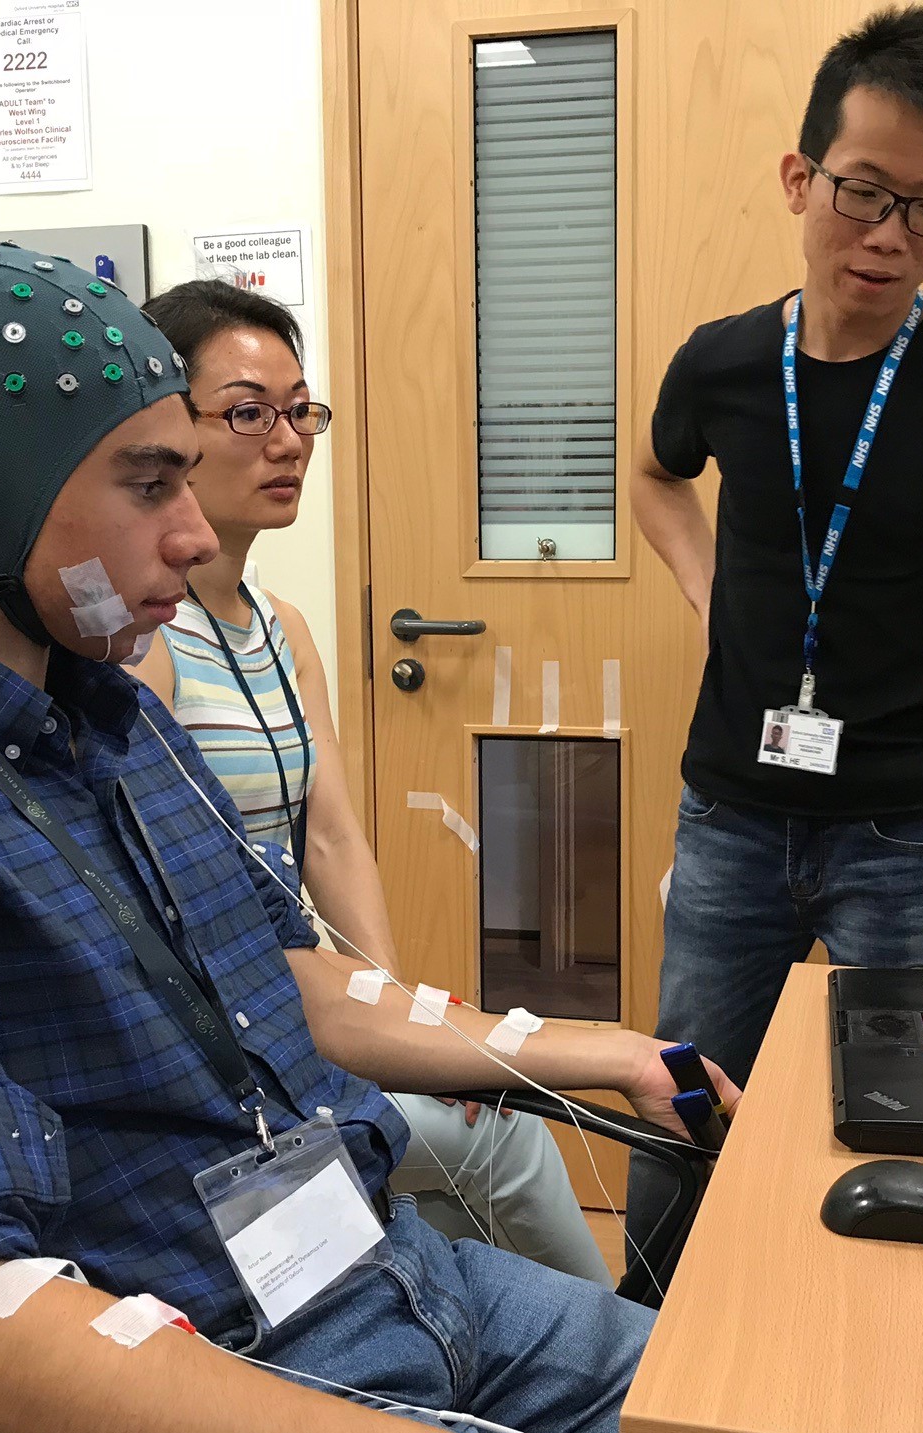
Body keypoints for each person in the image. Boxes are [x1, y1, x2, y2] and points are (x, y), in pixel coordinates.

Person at [0, 243, 923, 1433]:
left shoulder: (112, 716)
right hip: (229, 1377)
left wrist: (595, 1050)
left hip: (390, 1274)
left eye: (188, 481)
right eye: (150, 487)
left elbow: (282, 978)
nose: (194, 536)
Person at [129, 277, 610, 1285]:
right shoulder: (147, 645)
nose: (288, 439)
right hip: (237, 1047)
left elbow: (333, 839)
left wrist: (400, 1025)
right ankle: (627, 1370)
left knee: (472, 1124)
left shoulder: (279, 627)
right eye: (248, 413)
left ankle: (535, 1369)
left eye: (300, 411)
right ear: (169, 430)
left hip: (317, 1009)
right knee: (506, 1145)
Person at [632, 3, 923, 1102]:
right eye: (862, 191)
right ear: (798, 178)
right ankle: (656, 1288)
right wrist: (711, 590)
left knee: (913, 1125)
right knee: (688, 1107)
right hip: (730, 815)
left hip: (912, 830)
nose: (887, 235)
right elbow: (653, 475)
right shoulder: (719, 363)